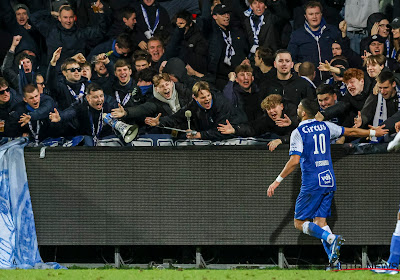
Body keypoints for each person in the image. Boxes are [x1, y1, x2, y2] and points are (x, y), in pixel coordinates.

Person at [267, 98, 388, 269]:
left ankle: (332, 238)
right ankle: (335, 263)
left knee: (299, 222)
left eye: (299, 108)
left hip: (312, 182)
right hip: (328, 179)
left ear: (302, 113)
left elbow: (294, 161)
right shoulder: (325, 126)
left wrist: (276, 181)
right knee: (320, 222)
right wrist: (374, 133)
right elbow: (351, 132)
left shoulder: (298, 132)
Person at [144, 81, 242, 141]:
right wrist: (159, 122)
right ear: (195, 98)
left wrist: (200, 135)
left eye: (208, 96)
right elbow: (176, 118)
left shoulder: (221, 104)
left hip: (234, 133)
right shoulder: (193, 105)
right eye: (203, 97)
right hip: (208, 136)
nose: (207, 99)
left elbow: (222, 131)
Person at [217, 94, 298, 151]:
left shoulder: (294, 112)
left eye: (273, 107)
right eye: (268, 109)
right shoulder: (267, 119)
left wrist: (282, 139)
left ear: (282, 106)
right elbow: (252, 128)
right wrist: (235, 130)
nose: (271, 111)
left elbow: (303, 133)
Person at [287, 1, 340, 85]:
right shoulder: (297, 35)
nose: (314, 17)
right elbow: (290, 58)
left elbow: (342, 54)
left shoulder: (332, 31)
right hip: (308, 83)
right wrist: (295, 65)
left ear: (321, 14)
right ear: (305, 16)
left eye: (317, 13)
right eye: (311, 14)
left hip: (331, 80)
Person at [49, 83, 119, 146]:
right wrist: (61, 117)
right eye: (95, 97)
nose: (100, 100)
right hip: (86, 142)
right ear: (88, 98)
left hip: (104, 140)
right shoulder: (81, 106)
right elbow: (71, 112)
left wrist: (123, 113)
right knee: (87, 140)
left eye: (101, 96)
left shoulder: (108, 106)